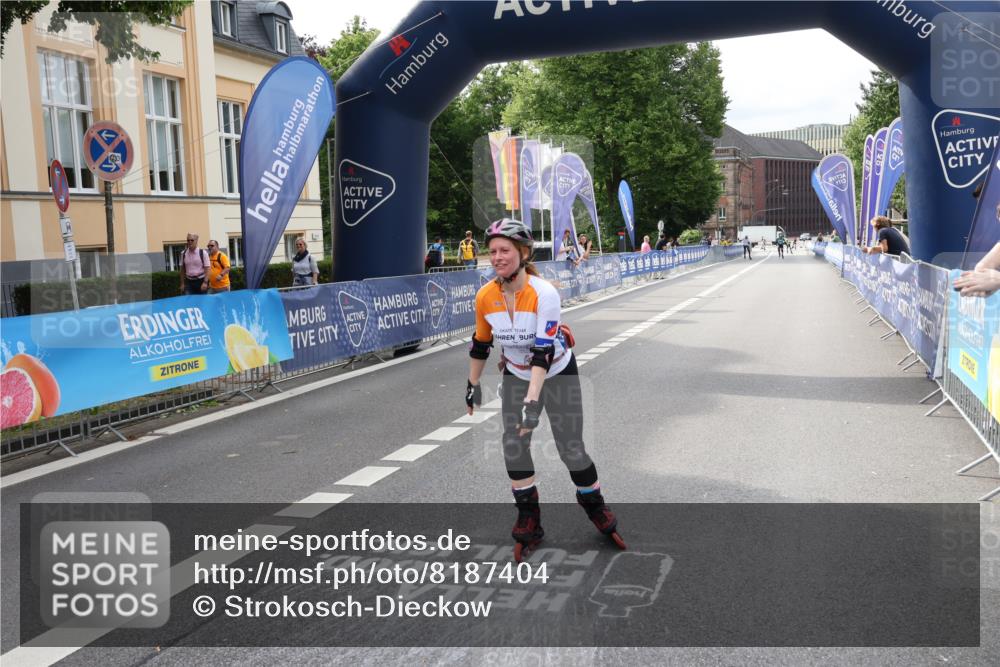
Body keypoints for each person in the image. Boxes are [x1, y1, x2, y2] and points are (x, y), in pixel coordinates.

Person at [465, 218, 623, 560]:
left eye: (504, 250)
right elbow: (480, 344)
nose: (497, 257)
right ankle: (528, 518)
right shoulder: (485, 296)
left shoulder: (543, 293)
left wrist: (533, 403)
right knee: (513, 445)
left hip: (556, 371)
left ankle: (595, 506)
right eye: (492, 251)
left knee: (571, 449)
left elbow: (543, 352)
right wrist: (472, 384)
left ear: (523, 253)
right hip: (518, 375)